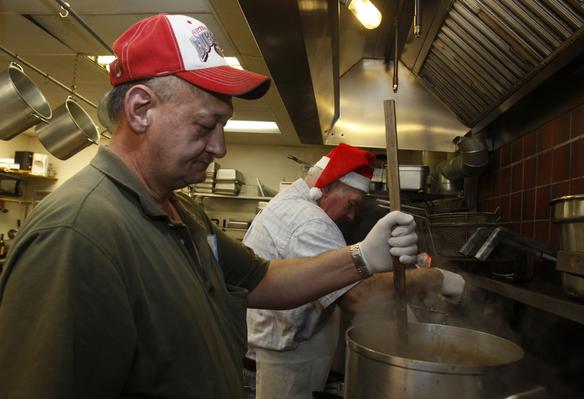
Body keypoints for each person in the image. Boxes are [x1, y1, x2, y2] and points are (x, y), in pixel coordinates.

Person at [0, 14, 420, 399]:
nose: (220, 147)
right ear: (141, 110)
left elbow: (262, 280)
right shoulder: (79, 232)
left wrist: (362, 256)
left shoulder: (182, 213)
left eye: (223, 125)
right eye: (206, 125)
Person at [243, 144, 466, 399]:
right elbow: (359, 297)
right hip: (282, 367)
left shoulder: (291, 204)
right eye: (351, 204)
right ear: (326, 186)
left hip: (278, 356)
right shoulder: (310, 221)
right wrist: (437, 278)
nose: (350, 216)